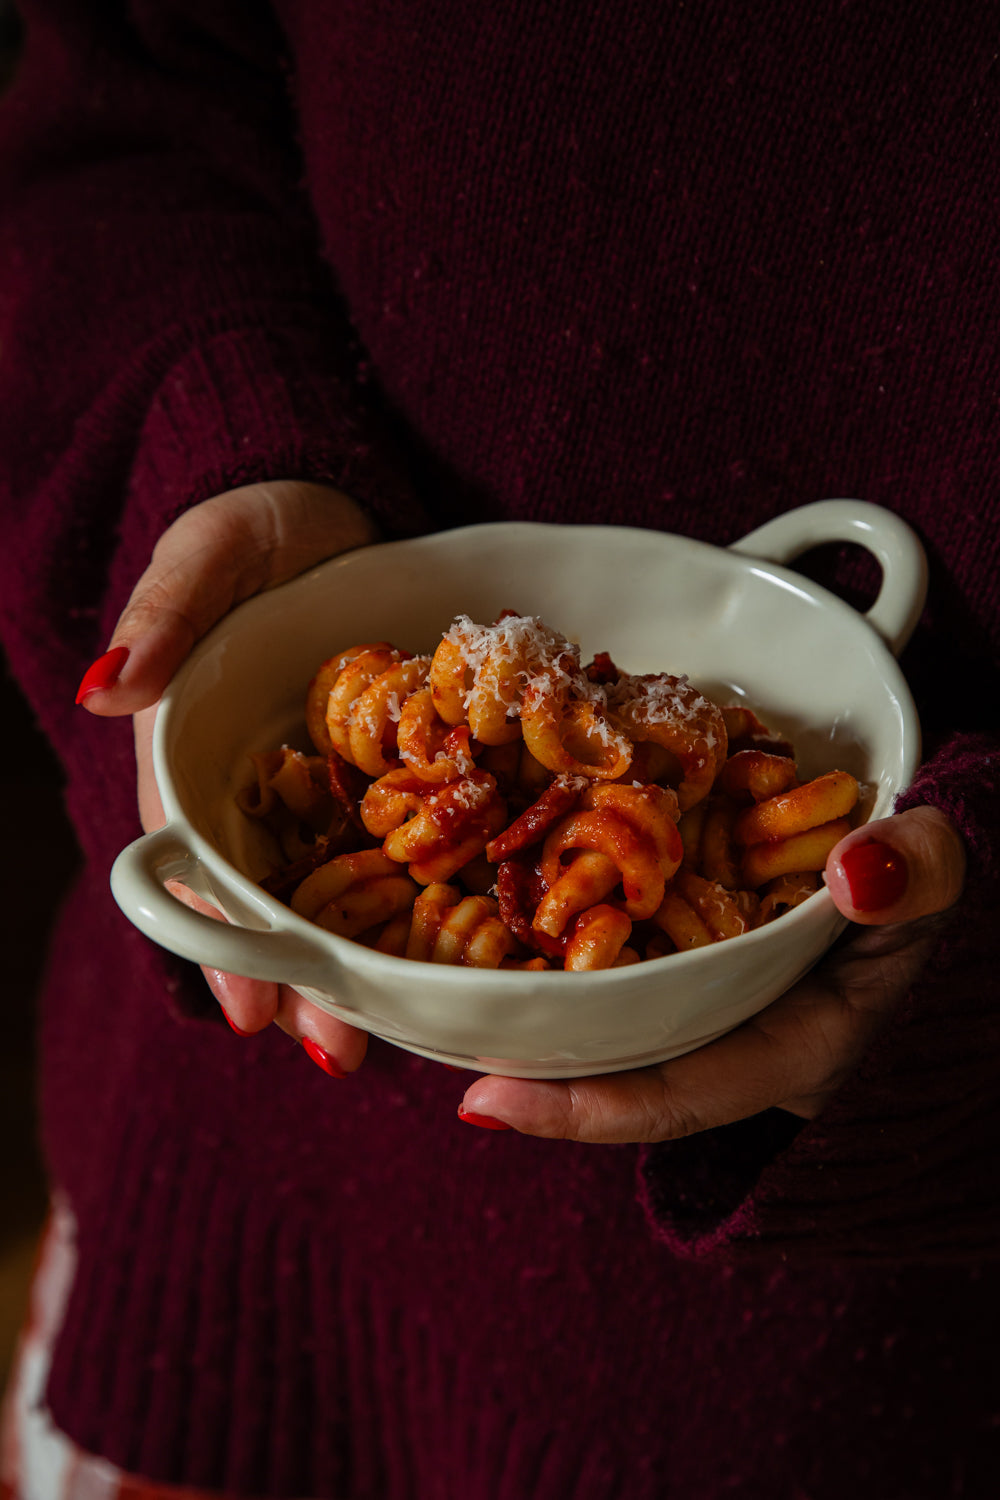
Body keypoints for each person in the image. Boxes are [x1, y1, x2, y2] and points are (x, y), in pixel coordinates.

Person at [0, 1, 996, 1496]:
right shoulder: (392, 764)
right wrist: (211, 451)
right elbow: (132, 96)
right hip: (235, 1227)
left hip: (861, 1392)